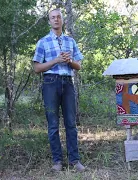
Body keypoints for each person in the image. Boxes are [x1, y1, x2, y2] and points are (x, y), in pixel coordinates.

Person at [32, 9, 85, 172]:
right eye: (53, 17)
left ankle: (74, 161)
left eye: (58, 17)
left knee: (71, 123)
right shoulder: (43, 42)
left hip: (68, 83)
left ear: (62, 20)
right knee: (53, 125)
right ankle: (57, 161)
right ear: (49, 21)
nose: (56, 20)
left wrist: (69, 61)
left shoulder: (70, 41)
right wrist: (56, 60)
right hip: (50, 84)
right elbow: (36, 67)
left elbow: (79, 66)